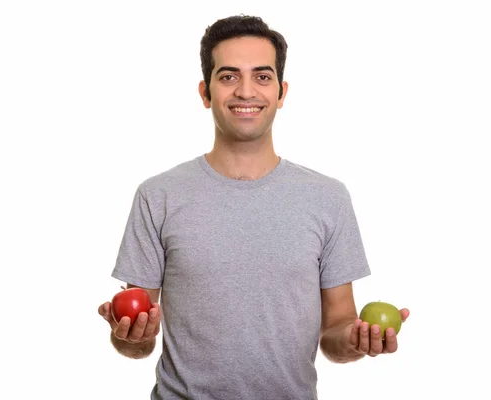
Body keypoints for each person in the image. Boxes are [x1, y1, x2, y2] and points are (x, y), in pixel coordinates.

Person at [98, 14, 409, 399]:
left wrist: (358, 339)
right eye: (228, 76)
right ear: (205, 92)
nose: (246, 91)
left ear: (281, 92)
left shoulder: (328, 197)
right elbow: (138, 338)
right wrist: (129, 337)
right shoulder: (157, 195)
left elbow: (336, 330)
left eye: (262, 77)